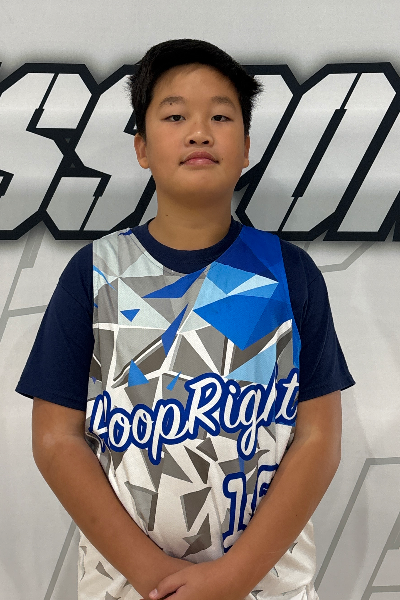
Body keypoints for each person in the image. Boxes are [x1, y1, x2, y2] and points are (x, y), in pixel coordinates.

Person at [16, 39, 355, 600]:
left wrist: (230, 578)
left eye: (220, 116)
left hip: (266, 587)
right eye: (175, 116)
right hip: (128, 588)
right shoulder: (95, 273)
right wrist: (155, 579)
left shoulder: (288, 272)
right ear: (142, 147)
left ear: (246, 148)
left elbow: (319, 438)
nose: (199, 132)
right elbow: (56, 439)